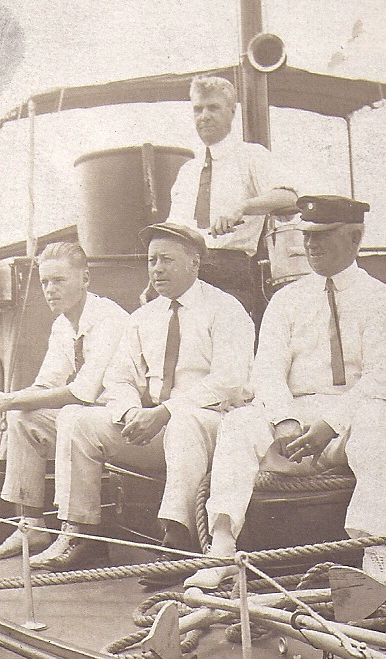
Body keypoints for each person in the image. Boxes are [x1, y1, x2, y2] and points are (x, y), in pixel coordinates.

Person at [186, 194, 386, 590]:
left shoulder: (381, 299)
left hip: (355, 415)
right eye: (307, 235)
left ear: (355, 237)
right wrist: (285, 421)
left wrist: (330, 424)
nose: (310, 245)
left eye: (322, 236)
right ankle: (221, 545)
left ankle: (373, 549)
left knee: (380, 419)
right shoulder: (287, 300)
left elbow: (385, 378)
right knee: (238, 423)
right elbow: (268, 371)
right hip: (297, 414)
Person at [31, 222, 255, 572]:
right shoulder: (143, 318)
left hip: (214, 427)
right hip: (154, 426)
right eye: (152, 260)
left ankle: (177, 540)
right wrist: (130, 412)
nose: (157, 269)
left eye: (166, 259)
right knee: (75, 418)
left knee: (185, 421)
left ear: (194, 263)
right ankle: (85, 535)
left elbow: (229, 380)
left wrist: (165, 411)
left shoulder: (225, 309)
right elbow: (118, 378)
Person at [0, 241, 129, 561]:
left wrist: (9, 399)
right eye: (44, 282)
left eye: (59, 281)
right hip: (90, 422)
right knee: (23, 417)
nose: (50, 290)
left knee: (70, 414)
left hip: (129, 423)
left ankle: (79, 535)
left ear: (85, 279)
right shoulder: (62, 325)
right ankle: (31, 525)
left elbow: (82, 391)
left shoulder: (109, 318)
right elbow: (47, 383)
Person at [167, 74, 298, 317]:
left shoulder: (251, 156)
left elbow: (289, 198)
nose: (204, 116)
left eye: (213, 108)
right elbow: (171, 232)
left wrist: (242, 207)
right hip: (185, 275)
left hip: (230, 274)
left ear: (232, 112)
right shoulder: (187, 171)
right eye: (198, 109)